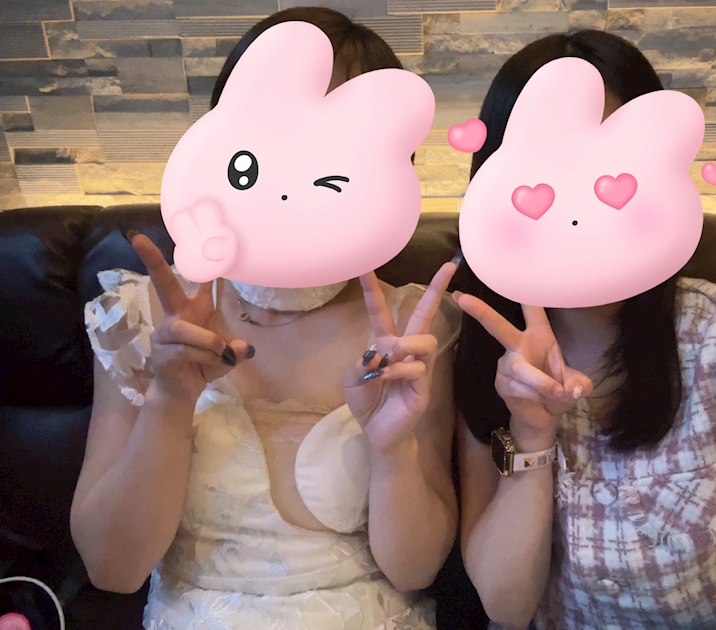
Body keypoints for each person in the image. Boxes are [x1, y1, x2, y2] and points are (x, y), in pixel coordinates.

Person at [69, 8, 462, 629]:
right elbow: (112, 569)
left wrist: (393, 449)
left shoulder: (413, 325)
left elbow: (415, 570)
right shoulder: (145, 316)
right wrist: (170, 399)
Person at [452, 30, 716, 630]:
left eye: (609, 170)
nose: (576, 210)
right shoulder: (486, 352)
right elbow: (506, 605)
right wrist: (532, 434)